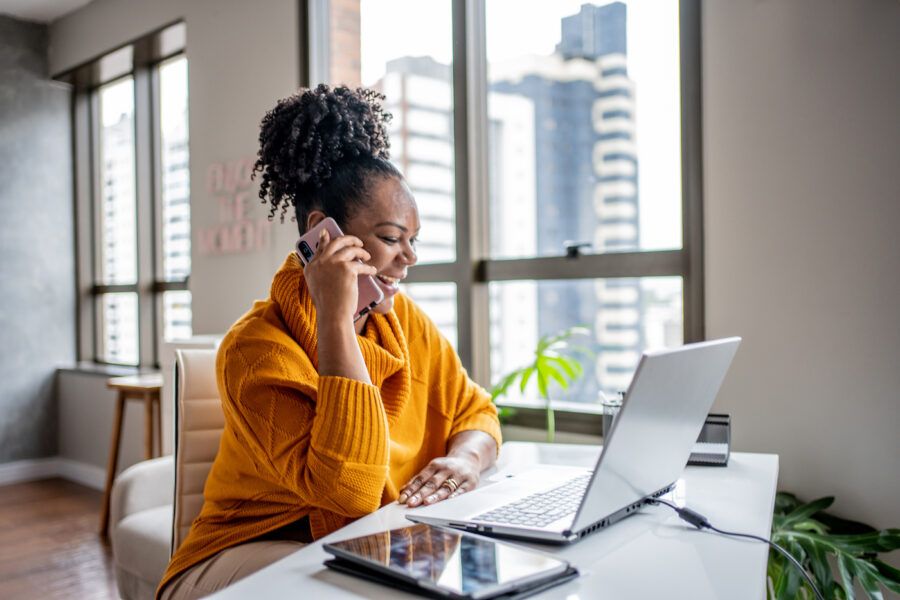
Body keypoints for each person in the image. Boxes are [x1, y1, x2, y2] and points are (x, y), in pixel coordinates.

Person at [157, 84, 501, 600]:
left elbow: (477, 411)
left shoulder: (404, 320)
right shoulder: (254, 351)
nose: (408, 258)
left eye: (413, 240)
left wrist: (465, 460)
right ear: (323, 234)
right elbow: (350, 492)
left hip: (365, 537)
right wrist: (336, 319)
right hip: (249, 549)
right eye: (389, 238)